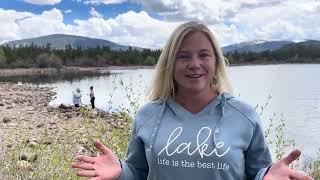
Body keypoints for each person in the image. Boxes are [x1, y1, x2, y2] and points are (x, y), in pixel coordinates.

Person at [72, 21, 313, 180]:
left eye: (204, 55)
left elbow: (258, 173)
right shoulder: (148, 115)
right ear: (169, 64)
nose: (194, 64)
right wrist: (120, 172)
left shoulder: (244, 115)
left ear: (216, 62)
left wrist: (268, 176)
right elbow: (138, 172)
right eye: (183, 56)